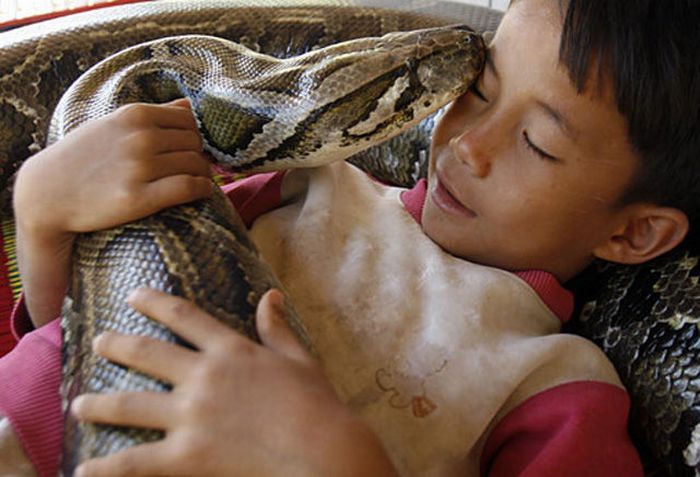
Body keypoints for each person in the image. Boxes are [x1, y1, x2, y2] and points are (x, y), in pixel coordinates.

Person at [1, 0, 699, 475]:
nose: (466, 144)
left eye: (538, 143)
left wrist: (338, 458)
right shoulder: (311, 186)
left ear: (635, 232)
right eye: (479, 88)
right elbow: (88, 312)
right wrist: (43, 219)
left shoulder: (556, 384)